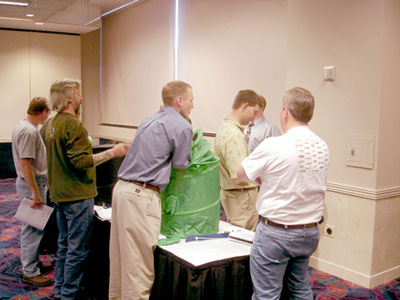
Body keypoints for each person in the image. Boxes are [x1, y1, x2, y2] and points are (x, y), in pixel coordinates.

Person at [236, 87, 330, 300]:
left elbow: (239, 173)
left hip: (276, 234)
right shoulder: (322, 146)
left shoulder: (275, 145)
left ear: (285, 111)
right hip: (309, 232)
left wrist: (260, 175)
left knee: (267, 294)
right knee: (300, 289)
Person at [109, 80, 194, 300]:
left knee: (120, 264)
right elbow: (181, 163)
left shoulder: (148, 120)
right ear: (179, 101)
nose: (193, 105)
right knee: (138, 270)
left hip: (121, 190)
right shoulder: (182, 125)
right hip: (141, 195)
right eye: (191, 100)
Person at [45, 79, 129, 300]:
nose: (82, 97)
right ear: (70, 97)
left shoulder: (52, 124)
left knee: (64, 246)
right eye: (79, 93)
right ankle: (69, 295)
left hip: (59, 194)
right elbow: (81, 162)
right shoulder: (74, 125)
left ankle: (60, 290)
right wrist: (114, 152)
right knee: (77, 250)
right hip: (77, 195)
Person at [11, 97, 52, 286]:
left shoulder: (23, 126)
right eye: (48, 112)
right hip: (32, 184)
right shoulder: (29, 131)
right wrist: (35, 193)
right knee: (32, 229)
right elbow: (25, 163)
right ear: (42, 112)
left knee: (34, 227)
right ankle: (30, 271)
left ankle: (32, 264)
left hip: (31, 183)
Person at [214, 89, 262, 231]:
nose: (254, 118)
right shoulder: (234, 135)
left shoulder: (225, 128)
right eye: (254, 112)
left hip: (234, 198)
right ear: (245, 106)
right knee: (242, 242)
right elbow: (238, 177)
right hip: (241, 200)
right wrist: (259, 173)